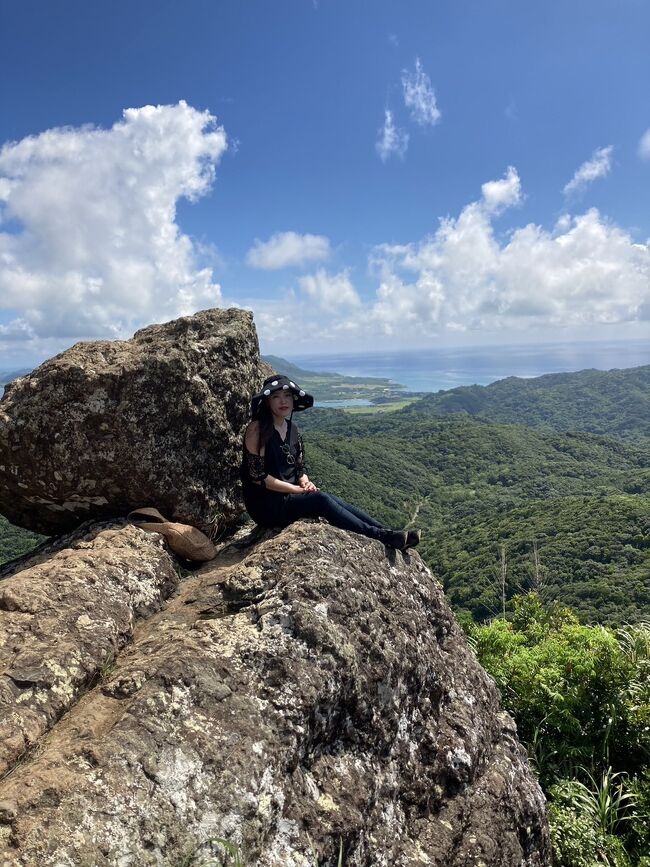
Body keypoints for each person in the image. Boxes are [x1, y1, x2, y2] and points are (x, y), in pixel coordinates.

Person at [240, 374, 421, 550]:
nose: (283, 401)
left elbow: (299, 468)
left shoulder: (292, 429)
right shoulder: (257, 429)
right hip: (266, 505)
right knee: (321, 500)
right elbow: (258, 477)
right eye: (276, 397)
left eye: (287, 396)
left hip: (289, 496)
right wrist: (295, 489)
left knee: (331, 499)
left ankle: (389, 533)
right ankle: (382, 536)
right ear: (267, 401)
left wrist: (304, 481)